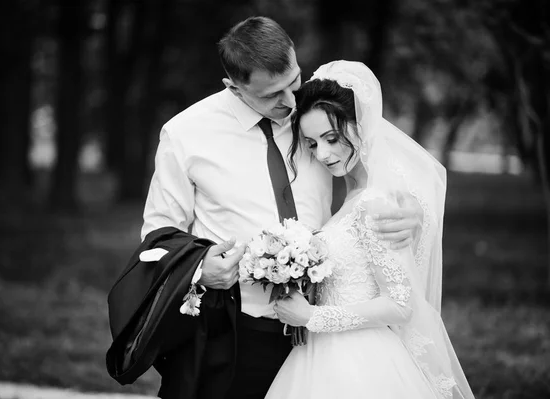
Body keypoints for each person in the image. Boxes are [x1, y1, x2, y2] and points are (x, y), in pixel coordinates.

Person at [141, 17, 422, 399]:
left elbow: (372, 172)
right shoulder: (185, 133)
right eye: (272, 94)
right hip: (232, 328)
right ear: (234, 87)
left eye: (294, 81)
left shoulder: (316, 117)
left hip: (319, 337)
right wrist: (200, 269)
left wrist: (412, 212)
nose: (290, 102)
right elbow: (157, 235)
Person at [265, 61, 475, 399]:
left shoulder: (376, 201)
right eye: (312, 143)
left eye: (331, 138)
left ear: (360, 125)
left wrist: (313, 317)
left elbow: (400, 305)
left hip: (361, 361)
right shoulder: (354, 193)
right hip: (325, 355)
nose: (323, 153)